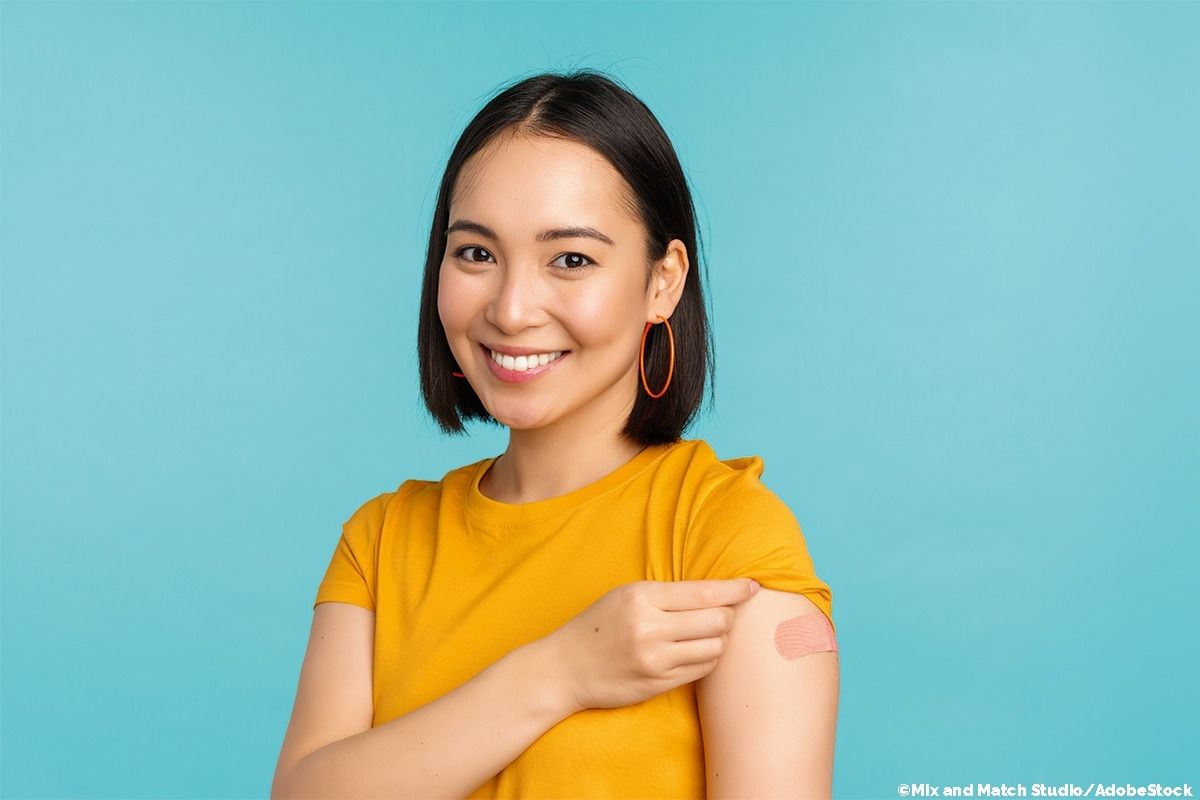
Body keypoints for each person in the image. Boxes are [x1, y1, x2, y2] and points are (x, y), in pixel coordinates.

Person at [271, 69, 839, 799]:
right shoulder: (380, 542)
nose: (511, 309)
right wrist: (557, 674)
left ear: (662, 282)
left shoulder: (722, 537)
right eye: (476, 253)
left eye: (571, 260)